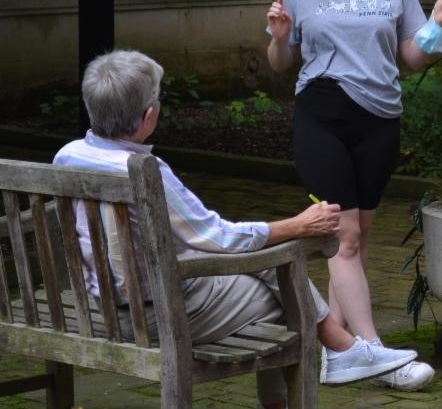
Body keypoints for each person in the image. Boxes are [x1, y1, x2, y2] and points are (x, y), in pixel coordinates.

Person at [53, 49, 418, 409]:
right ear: (149, 116)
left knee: (268, 267)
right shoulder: (146, 171)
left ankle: (343, 350)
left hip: (95, 305)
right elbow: (218, 236)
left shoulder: (68, 155)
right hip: (154, 315)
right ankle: (338, 355)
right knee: (286, 289)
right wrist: (298, 225)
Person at [265, 0, 442, 392]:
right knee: (344, 236)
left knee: (354, 240)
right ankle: (375, 352)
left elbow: (414, 58)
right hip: (322, 115)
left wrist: (437, 27)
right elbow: (280, 64)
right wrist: (278, 34)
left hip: (379, 119)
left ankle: (336, 354)